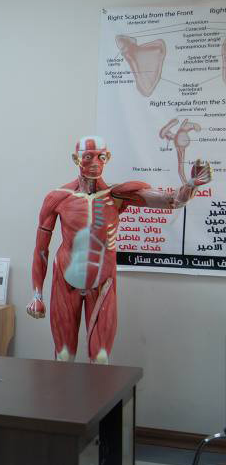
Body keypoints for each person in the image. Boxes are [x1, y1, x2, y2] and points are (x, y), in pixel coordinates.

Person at [27, 136, 211, 363]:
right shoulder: (58, 198)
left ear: (108, 158)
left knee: (101, 358)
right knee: (64, 357)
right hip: (66, 280)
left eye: (101, 157)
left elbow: (172, 201)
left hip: (103, 282)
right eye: (88, 157)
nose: (95, 163)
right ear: (76, 159)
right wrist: (37, 295)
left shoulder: (117, 195)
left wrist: (191, 185)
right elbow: (41, 249)